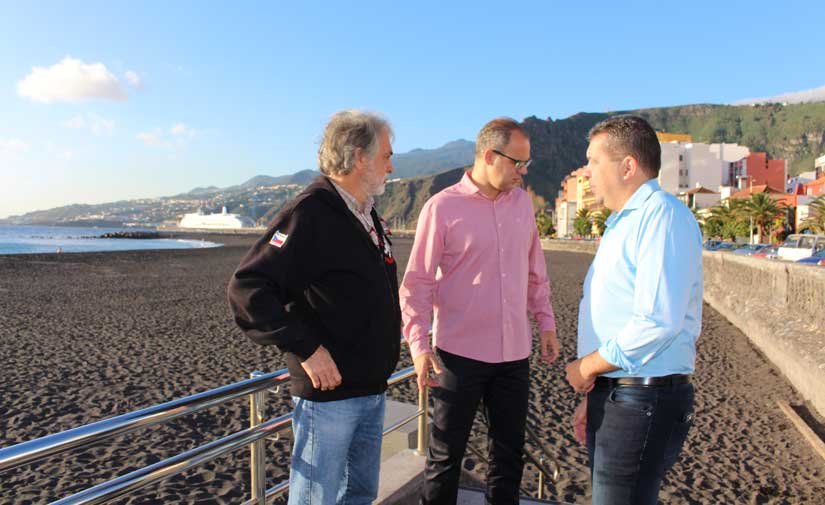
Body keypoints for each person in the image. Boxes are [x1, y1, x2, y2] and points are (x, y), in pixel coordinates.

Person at [227, 110, 400, 505]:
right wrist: (305, 348)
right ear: (359, 157)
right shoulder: (310, 212)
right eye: (386, 156)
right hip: (330, 399)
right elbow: (248, 288)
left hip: (372, 390)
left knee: (359, 495)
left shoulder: (366, 212)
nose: (392, 166)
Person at [400, 117, 559, 505]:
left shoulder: (522, 203)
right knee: (444, 457)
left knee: (509, 455)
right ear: (489, 155)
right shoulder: (441, 207)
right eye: (517, 163)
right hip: (458, 356)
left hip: (514, 355)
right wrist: (420, 347)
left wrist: (547, 323)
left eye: (527, 164)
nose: (523, 172)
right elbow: (417, 284)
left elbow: (535, 270)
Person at [565, 115, 702, 505]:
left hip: (641, 399)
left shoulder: (662, 216)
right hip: (619, 394)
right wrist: (595, 396)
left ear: (627, 166)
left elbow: (657, 322)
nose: (586, 172)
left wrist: (587, 368)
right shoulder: (622, 223)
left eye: (593, 161)